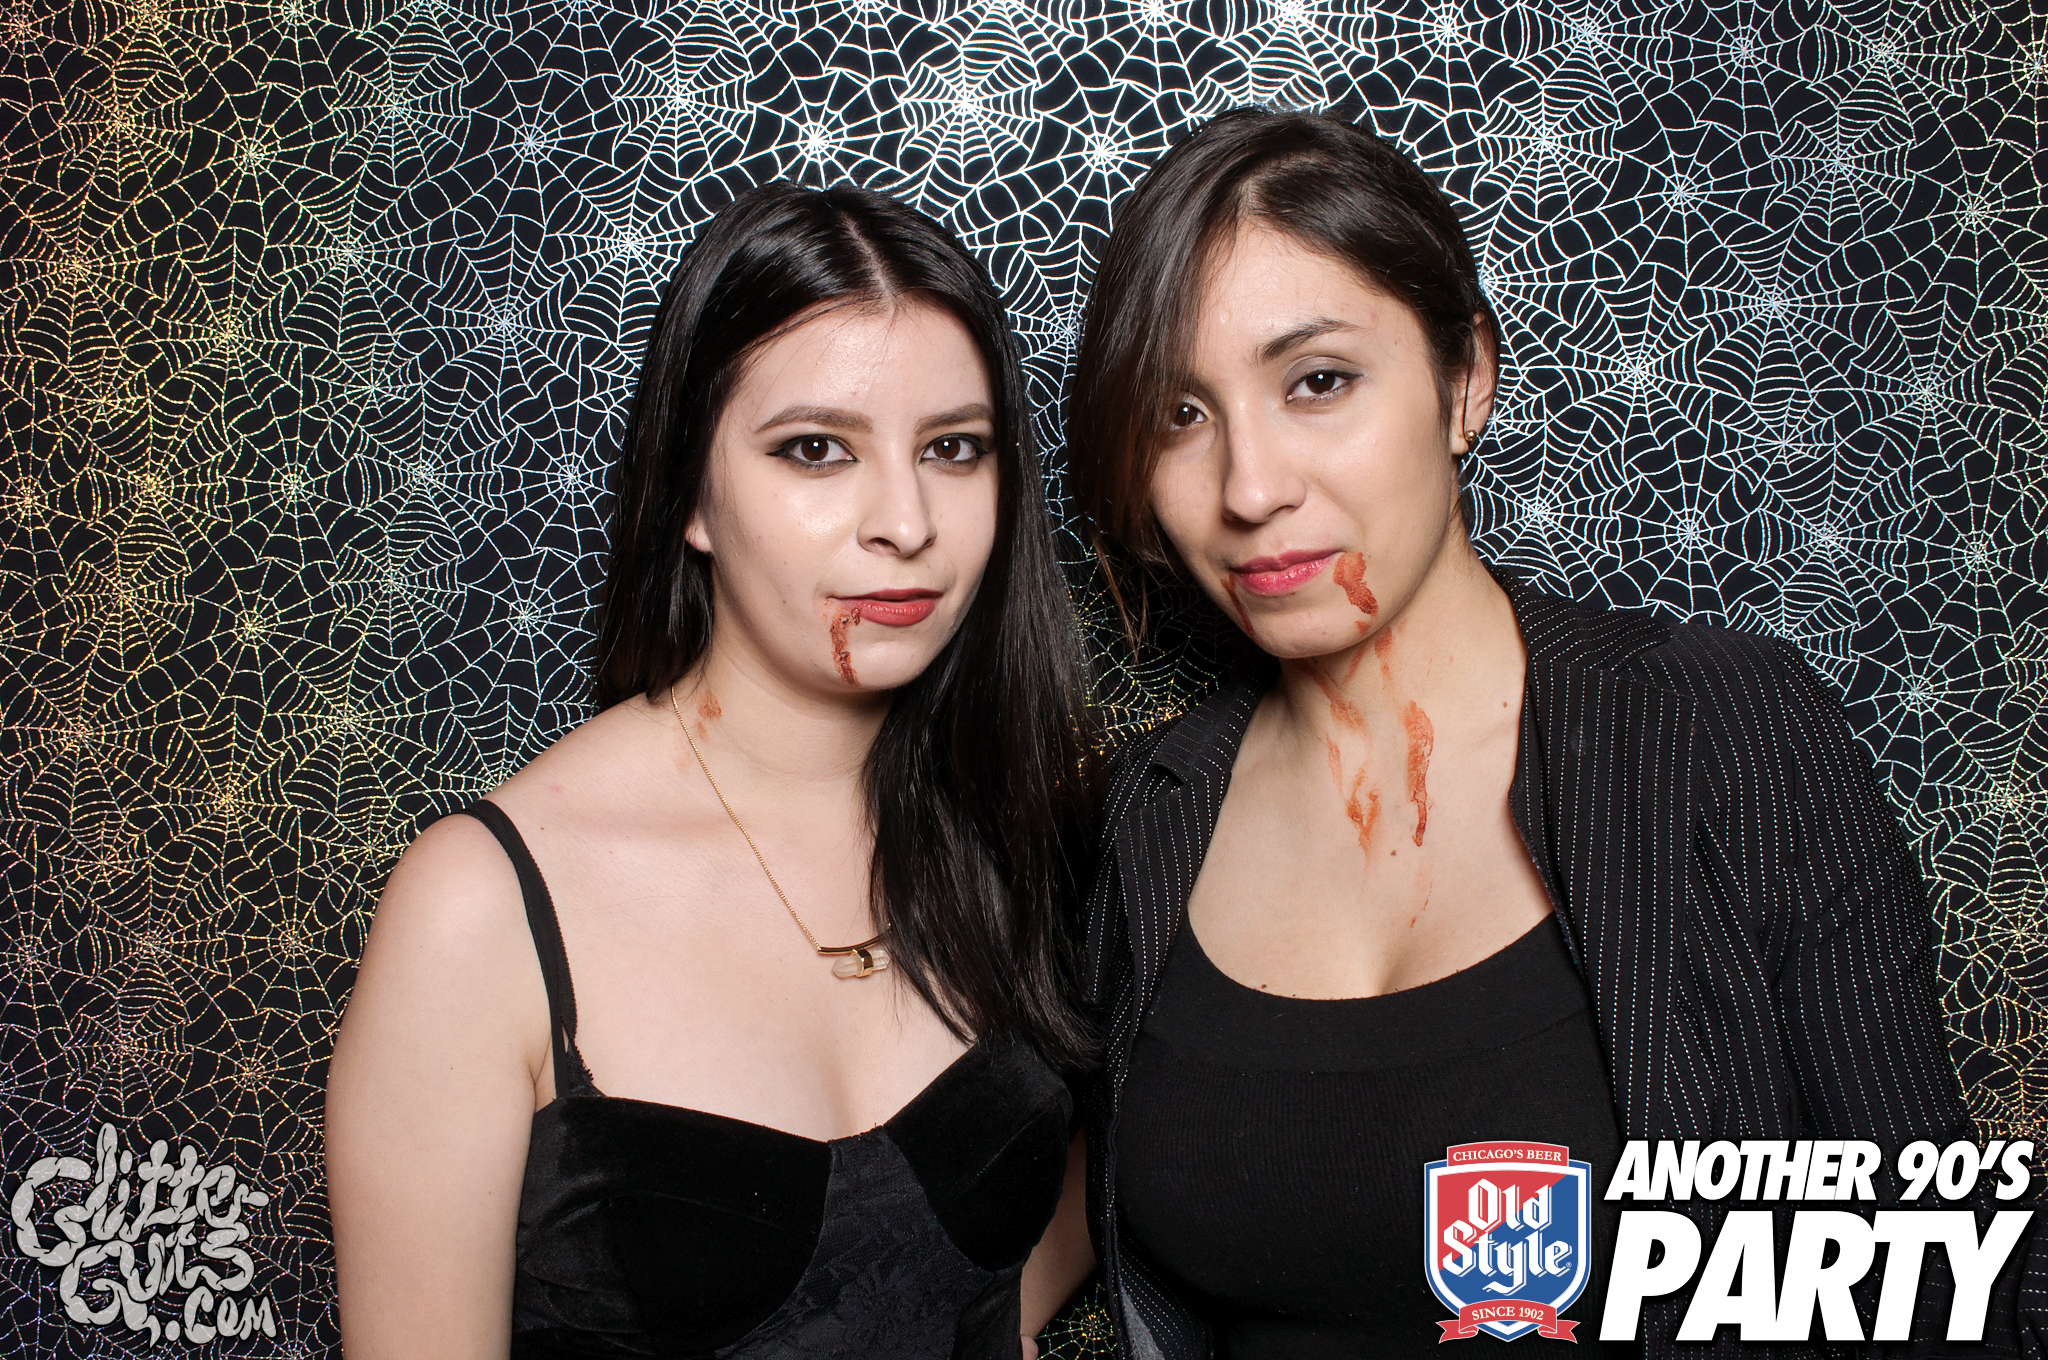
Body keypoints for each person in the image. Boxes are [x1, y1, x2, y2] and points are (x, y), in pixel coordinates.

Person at [1064, 107, 2003, 1358]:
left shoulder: (1715, 727)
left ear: (1463, 380)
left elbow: (1929, 1266)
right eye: (1179, 414)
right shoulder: (1151, 808)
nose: (1249, 486)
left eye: (1317, 381)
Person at [327, 182, 1096, 1359]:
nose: (904, 520)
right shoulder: (481, 907)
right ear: (691, 489)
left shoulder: (1014, 825)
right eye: (815, 450)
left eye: (953, 449)